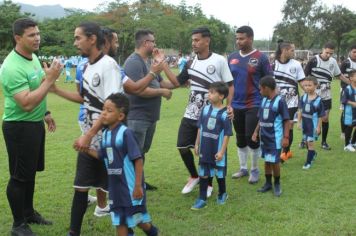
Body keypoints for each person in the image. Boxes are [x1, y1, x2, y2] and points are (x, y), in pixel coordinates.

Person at [50, 22, 163, 236]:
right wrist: (54, 88)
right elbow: (85, 99)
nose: (75, 43)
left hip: (112, 143)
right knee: (81, 187)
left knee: (122, 192)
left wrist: (90, 134)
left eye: (78, 38)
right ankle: (74, 232)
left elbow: (111, 106)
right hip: (91, 141)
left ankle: (147, 227)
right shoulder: (85, 67)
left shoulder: (109, 65)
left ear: (92, 39)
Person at [0, 18, 62, 236]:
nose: (37, 38)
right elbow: (26, 103)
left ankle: (28, 213)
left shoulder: (33, 57)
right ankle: (18, 225)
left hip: (34, 124)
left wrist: (45, 113)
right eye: (31, 35)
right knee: (19, 176)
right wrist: (50, 80)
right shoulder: (11, 67)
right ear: (18, 38)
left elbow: (36, 89)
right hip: (19, 127)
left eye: (38, 33)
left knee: (30, 174)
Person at [162, 27, 234, 196]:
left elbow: (230, 85)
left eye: (197, 40)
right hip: (192, 111)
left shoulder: (219, 61)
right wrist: (157, 76)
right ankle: (194, 175)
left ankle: (207, 184)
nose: (193, 43)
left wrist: (229, 106)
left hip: (212, 114)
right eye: (192, 40)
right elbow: (177, 82)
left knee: (207, 149)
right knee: (182, 146)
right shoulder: (190, 62)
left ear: (207, 41)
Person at [85, 93, 159, 236]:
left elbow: (138, 160)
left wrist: (138, 186)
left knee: (139, 221)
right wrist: (86, 149)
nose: (104, 114)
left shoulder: (126, 134)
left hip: (130, 188)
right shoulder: (105, 134)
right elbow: (102, 155)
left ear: (120, 116)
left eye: (109, 110)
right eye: (103, 109)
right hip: (115, 188)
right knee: (120, 221)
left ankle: (153, 232)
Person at [123, 29, 179, 190]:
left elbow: (167, 83)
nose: (155, 45)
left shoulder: (149, 62)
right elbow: (137, 90)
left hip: (149, 117)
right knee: (135, 153)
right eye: (153, 42)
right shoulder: (134, 62)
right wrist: (162, 92)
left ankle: (139, 181)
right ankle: (132, 185)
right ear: (146, 43)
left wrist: (163, 63)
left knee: (142, 152)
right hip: (137, 116)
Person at [228, 26, 273, 183]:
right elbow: (228, 82)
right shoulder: (232, 57)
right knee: (240, 138)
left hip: (254, 103)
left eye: (242, 38)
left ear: (251, 38)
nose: (238, 41)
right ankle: (243, 168)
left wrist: (269, 101)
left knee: (251, 138)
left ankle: (254, 170)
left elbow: (269, 81)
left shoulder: (261, 58)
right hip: (235, 105)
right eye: (237, 38)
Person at [191, 82, 232, 210]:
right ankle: (202, 198)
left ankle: (222, 193)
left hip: (217, 150)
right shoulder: (205, 109)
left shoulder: (226, 113)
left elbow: (227, 134)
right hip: (205, 148)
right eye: (209, 92)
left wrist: (222, 151)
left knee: (219, 173)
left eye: (212, 92)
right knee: (203, 172)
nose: (209, 94)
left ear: (221, 96)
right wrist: (196, 143)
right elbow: (200, 128)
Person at [301, 42, 349, 150]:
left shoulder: (333, 62)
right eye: (327, 52)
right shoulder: (313, 60)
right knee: (308, 116)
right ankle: (304, 139)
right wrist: (307, 89)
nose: (328, 55)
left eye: (331, 53)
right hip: (312, 93)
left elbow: (339, 75)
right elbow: (304, 76)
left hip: (326, 93)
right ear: (323, 49)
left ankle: (324, 142)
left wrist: (350, 82)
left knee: (325, 118)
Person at [252, 75, 289, 197]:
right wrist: (256, 132)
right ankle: (268, 183)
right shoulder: (264, 100)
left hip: (275, 138)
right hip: (264, 137)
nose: (260, 91)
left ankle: (277, 184)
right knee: (267, 161)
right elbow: (260, 119)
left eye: (260, 89)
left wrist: (286, 137)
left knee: (274, 162)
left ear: (267, 88)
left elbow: (286, 121)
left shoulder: (280, 101)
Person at [273, 41, 305, 162]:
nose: (294, 52)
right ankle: (280, 149)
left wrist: (310, 93)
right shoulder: (272, 64)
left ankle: (285, 152)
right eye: (292, 50)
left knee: (289, 125)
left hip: (292, 100)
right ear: (284, 50)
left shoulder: (296, 64)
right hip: (277, 100)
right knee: (278, 125)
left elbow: (302, 81)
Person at [297, 76, 325, 169]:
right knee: (306, 142)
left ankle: (308, 162)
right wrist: (299, 122)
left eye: (310, 85)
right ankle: (313, 153)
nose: (307, 87)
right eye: (305, 85)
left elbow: (321, 115)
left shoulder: (318, 100)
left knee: (310, 142)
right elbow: (300, 110)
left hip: (313, 124)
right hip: (305, 124)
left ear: (316, 85)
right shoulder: (303, 97)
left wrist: (318, 127)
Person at [340, 45, 356, 142]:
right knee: (345, 112)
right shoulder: (345, 63)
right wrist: (349, 83)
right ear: (350, 52)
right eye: (354, 52)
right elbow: (339, 75)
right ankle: (344, 132)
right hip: (346, 89)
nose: (355, 54)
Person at [341, 70, 356, 152]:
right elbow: (343, 100)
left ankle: (353, 142)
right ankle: (346, 145)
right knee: (349, 126)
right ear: (351, 78)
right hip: (349, 112)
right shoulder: (347, 89)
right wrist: (352, 103)